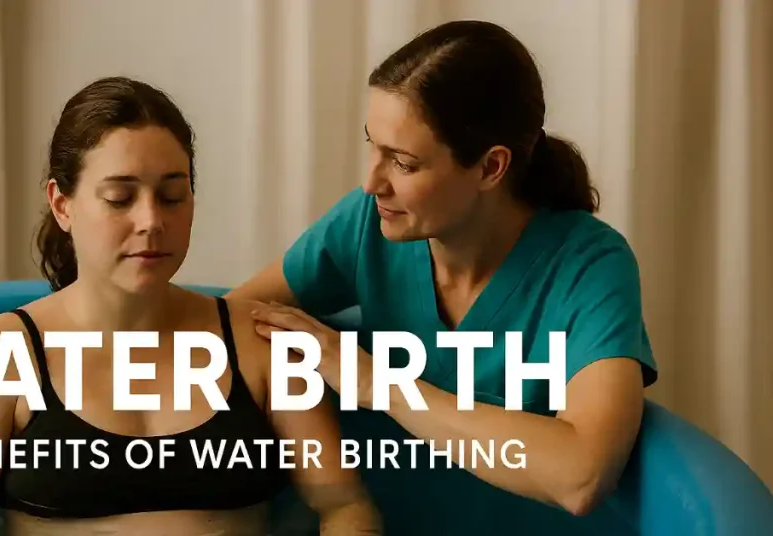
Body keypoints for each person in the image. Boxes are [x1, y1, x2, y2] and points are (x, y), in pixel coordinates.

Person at [227, 20, 658, 534]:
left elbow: (582, 475)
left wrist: (383, 386)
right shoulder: (367, 224)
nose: (371, 183)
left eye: (403, 164)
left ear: (490, 168)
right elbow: (223, 324)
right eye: (373, 146)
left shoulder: (590, 266)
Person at [0, 76, 381, 536]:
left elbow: (344, 507)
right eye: (120, 198)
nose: (152, 220)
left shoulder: (261, 346)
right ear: (62, 205)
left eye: (172, 196)